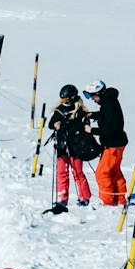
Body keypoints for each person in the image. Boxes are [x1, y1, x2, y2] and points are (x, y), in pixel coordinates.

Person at [46, 85, 96, 213]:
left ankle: (84, 197)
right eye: (62, 100)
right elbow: (51, 124)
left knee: (78, 172)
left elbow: (85, 126)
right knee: (62, 173)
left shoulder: (80, 112)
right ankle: (62, 199)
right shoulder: (59, 111)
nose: (64, 103)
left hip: (76, 147)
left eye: (66, 100)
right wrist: (55, 125)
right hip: (62, 147)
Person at [88, 82, 129, 206]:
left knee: (102, 173)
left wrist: (91, 130)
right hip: (116, 143)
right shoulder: (109, 102)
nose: (93, 100)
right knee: (114, 172)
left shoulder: (109, 104)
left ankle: (107, 202)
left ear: (100, 93)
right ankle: (120, 199)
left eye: (93, 96)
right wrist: (94, 115)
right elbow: (107, 117)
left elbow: (110, 130)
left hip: (113, 144)